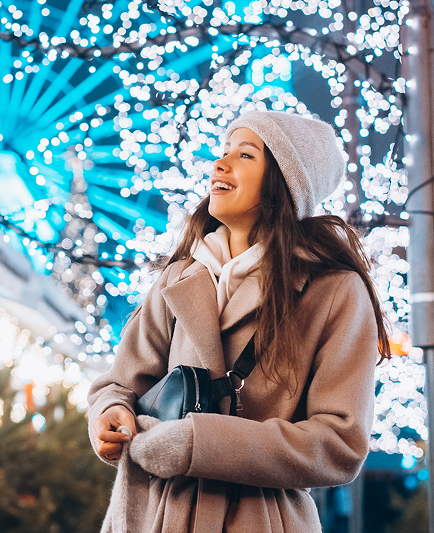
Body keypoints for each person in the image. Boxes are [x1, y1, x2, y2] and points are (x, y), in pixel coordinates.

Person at [87, 110, 391, 533]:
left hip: (261, 520)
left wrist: (200, 443)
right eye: (223, 151)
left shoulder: (333, 290)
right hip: (154, 516)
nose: (220, 163)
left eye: (245, 155)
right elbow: (118, 385)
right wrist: (109, 414)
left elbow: (340, 443)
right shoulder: (178, 277)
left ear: (285, 182)